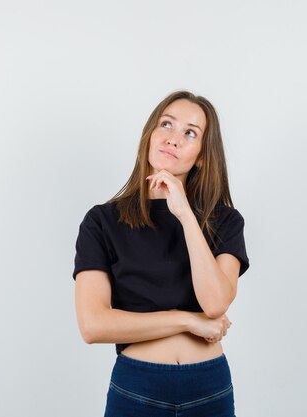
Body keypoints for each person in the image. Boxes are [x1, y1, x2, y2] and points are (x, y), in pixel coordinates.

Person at [72, 89, 250, 417]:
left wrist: (184, 214)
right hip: (137, 387)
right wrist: (187, 321)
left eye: (190, 133)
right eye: (166, 124)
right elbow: (93, 325)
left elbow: (215, 303)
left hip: (208, 388)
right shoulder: (102, 221)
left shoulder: (224, 220)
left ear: (201, 156)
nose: (173, 139)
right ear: (150, 135)